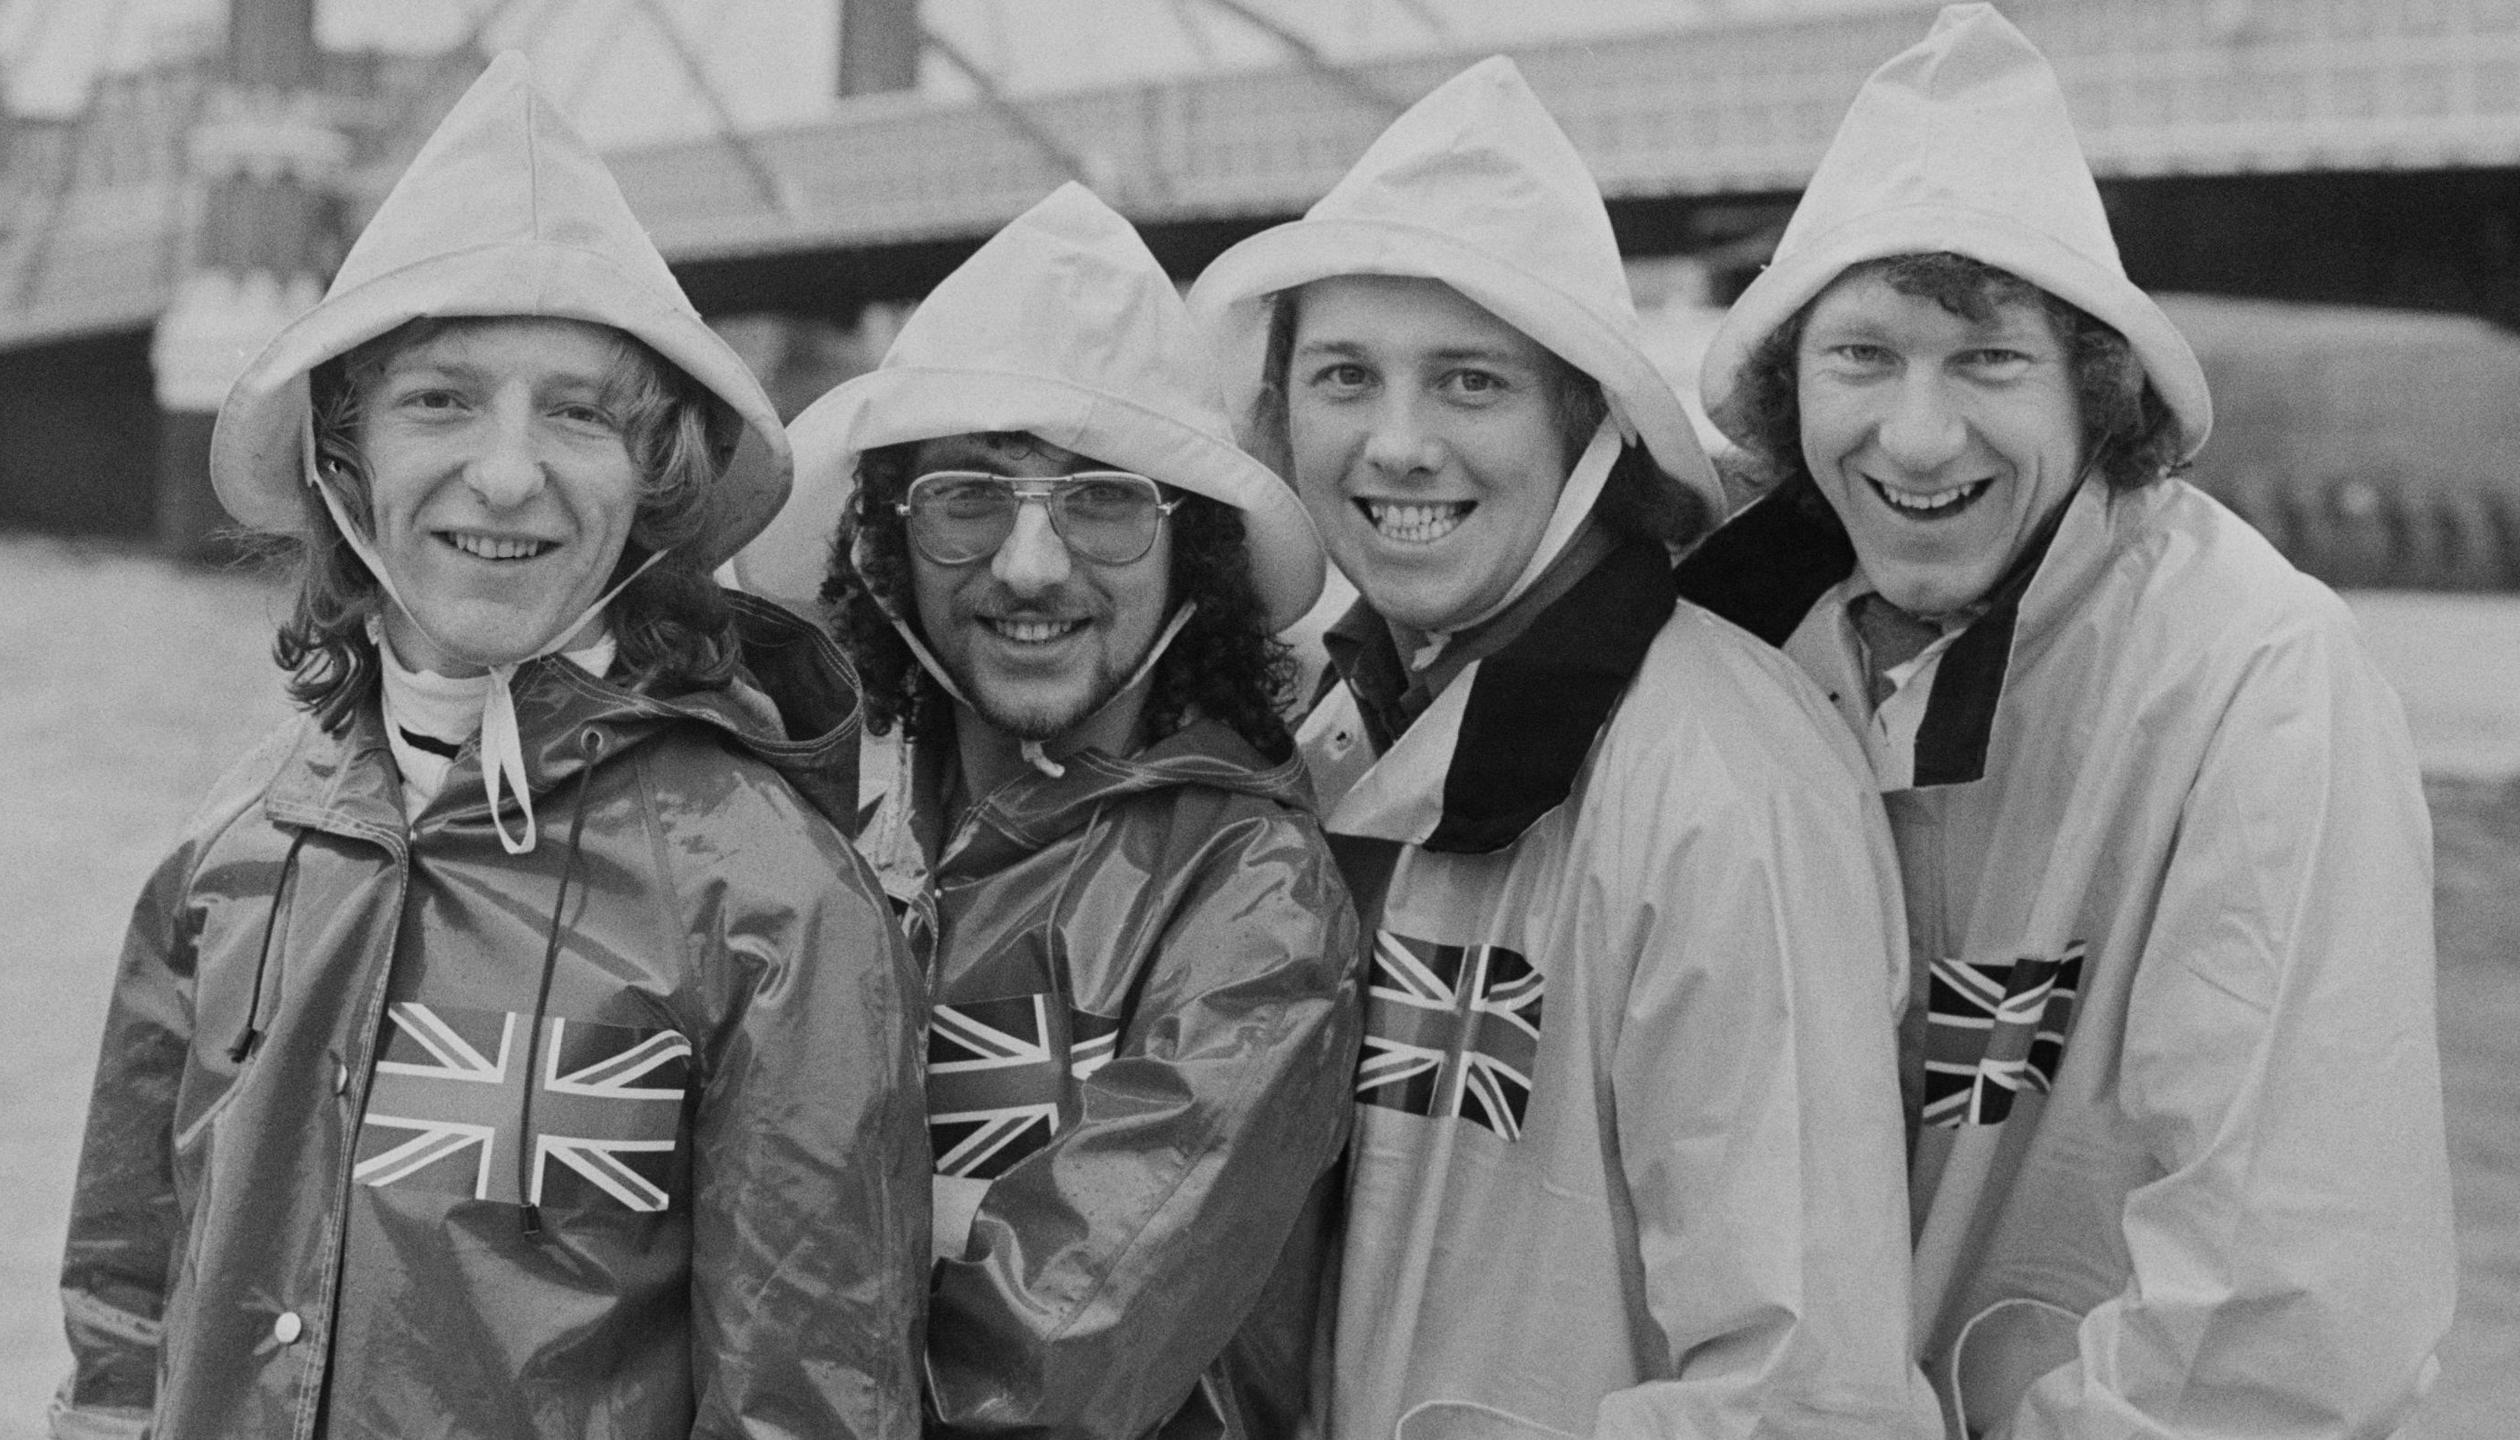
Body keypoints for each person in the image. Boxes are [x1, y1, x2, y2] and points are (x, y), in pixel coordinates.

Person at [50, 55, 930, 1440]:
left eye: (577, 412)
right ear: (342, 464)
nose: (508, 473)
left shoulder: (778, 902)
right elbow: (119, 1329)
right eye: (440, 400)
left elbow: (809, 1408)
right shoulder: (222, 860)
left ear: (658, 482)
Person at [1675, 7, 2458, 1436]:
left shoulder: (2256, 677)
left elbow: (2290, 1298)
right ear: (1790, 390)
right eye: (1861, 358)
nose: (1916, 437)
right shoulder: (1720, 642)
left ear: (2099, 395)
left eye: (1987, 362)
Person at [1188, 56, 1939, 1439]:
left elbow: (1801, 1390)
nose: (1397, 443)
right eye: (1345, 376)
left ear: (1589, 425)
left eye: (1470, 383)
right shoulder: (1327, 730)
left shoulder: (1721, 782)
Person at [733, 182, 1361, 1440]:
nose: (1030, 566)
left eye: (1103, 499)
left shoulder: (1253, 898)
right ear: (882, 544)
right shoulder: (792, 836)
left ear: (1199, 550)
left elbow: (1049, 1365)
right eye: (968, 497)